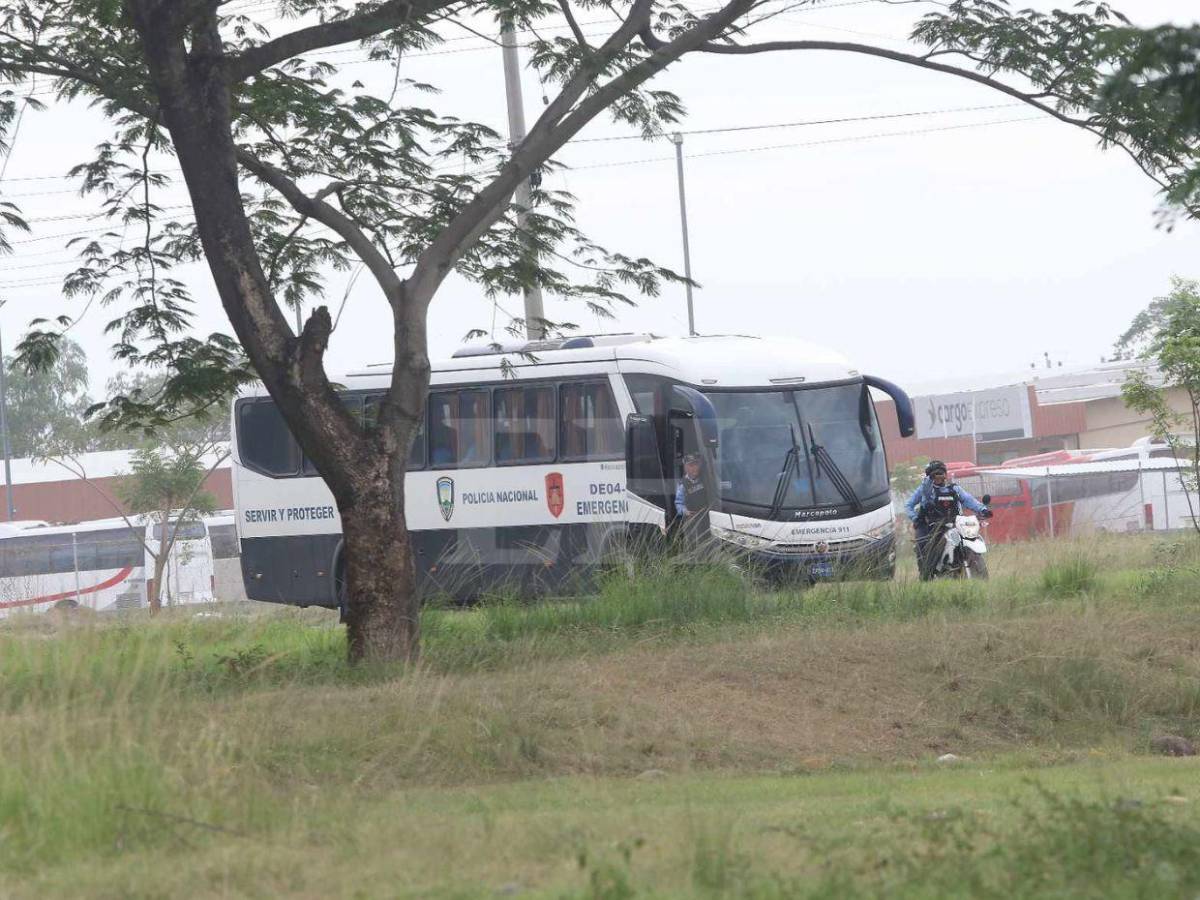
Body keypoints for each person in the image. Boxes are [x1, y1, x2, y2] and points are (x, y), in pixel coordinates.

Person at [904, 460, 989, 579]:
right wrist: (915, 518)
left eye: (941, 473)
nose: (938, 477)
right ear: (930, 476)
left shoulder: (955, 489)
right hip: (931, 526)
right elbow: (908, 505)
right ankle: (925, 576)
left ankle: (962, 563)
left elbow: (969, 500)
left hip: (955, 524)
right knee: (921, 544)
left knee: (971, 535)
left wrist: (983, 510)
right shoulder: (925, 489)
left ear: (945, 474)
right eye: (935, 474)